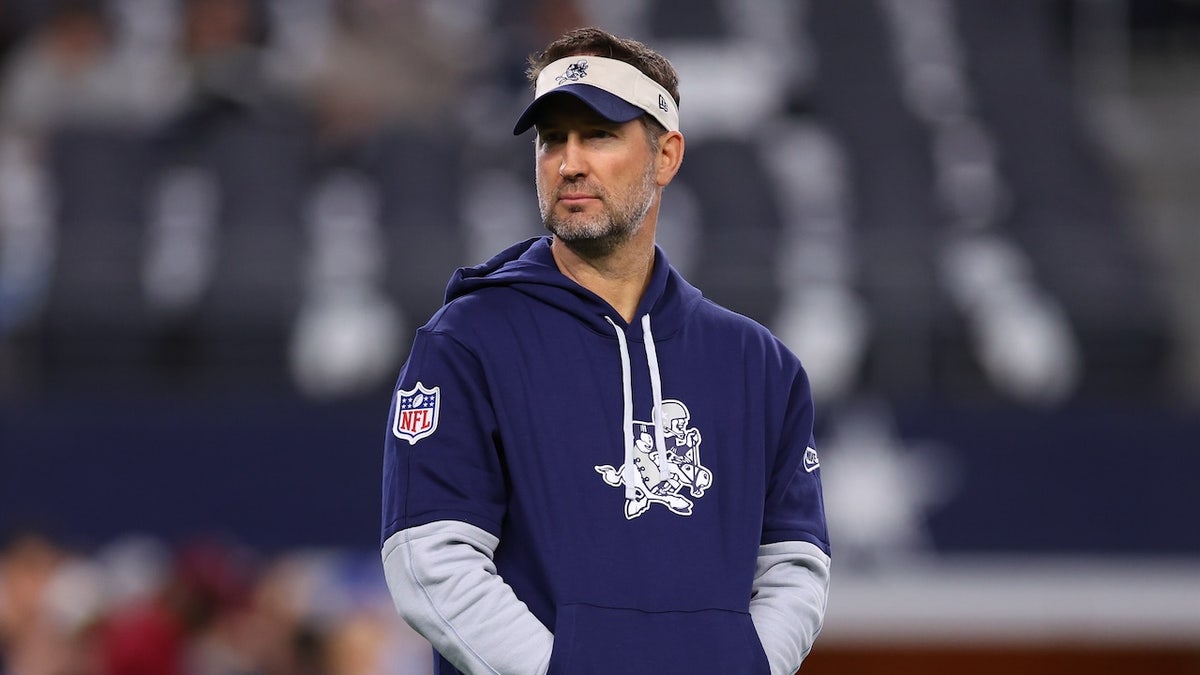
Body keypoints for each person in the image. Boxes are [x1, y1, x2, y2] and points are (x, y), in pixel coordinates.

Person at [380, 26, 831, 675]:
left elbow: (794, 564)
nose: (568, 162)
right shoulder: (466, 343)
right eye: (550, 139)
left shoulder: (759, 365)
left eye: (598, 134)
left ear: (666, 155)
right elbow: (430, 561)